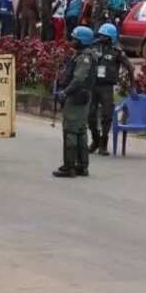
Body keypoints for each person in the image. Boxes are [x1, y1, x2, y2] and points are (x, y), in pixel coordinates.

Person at [53, 26, 97, 178]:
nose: (72, 42)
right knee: (80, 131)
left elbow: (78, 79)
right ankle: (81, 166)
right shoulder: (82, 55)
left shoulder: (84, 58)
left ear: (82, 41)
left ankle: (69, 167)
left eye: (75, 39)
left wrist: (65, 92)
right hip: (80, 96)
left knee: (71, 131)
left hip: (77, 97)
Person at [88, 24, 134, 156]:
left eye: (103, 35)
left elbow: (130, 68)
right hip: (93, 85)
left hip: (107, 87)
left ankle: (103, 144)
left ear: (110, 38)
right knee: (90, 115)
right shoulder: (93, 46)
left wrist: (132, 86)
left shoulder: (117, 51)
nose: (100, 37)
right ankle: (95, 139)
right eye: (100, 34)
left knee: (107, 116)